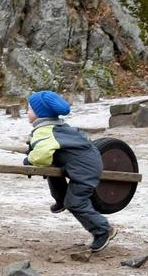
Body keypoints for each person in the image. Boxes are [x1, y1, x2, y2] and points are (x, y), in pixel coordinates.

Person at [24, 90, 118, 252]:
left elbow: (42, 157)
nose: (26, 112)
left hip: (85, 169)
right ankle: (61, 198)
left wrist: (29, 160)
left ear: (40, 114)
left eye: (30, 109)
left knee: (75, 202)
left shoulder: (46, 131)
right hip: (83, 161)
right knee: (51, 167)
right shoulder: (55, 127)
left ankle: (103, 230)